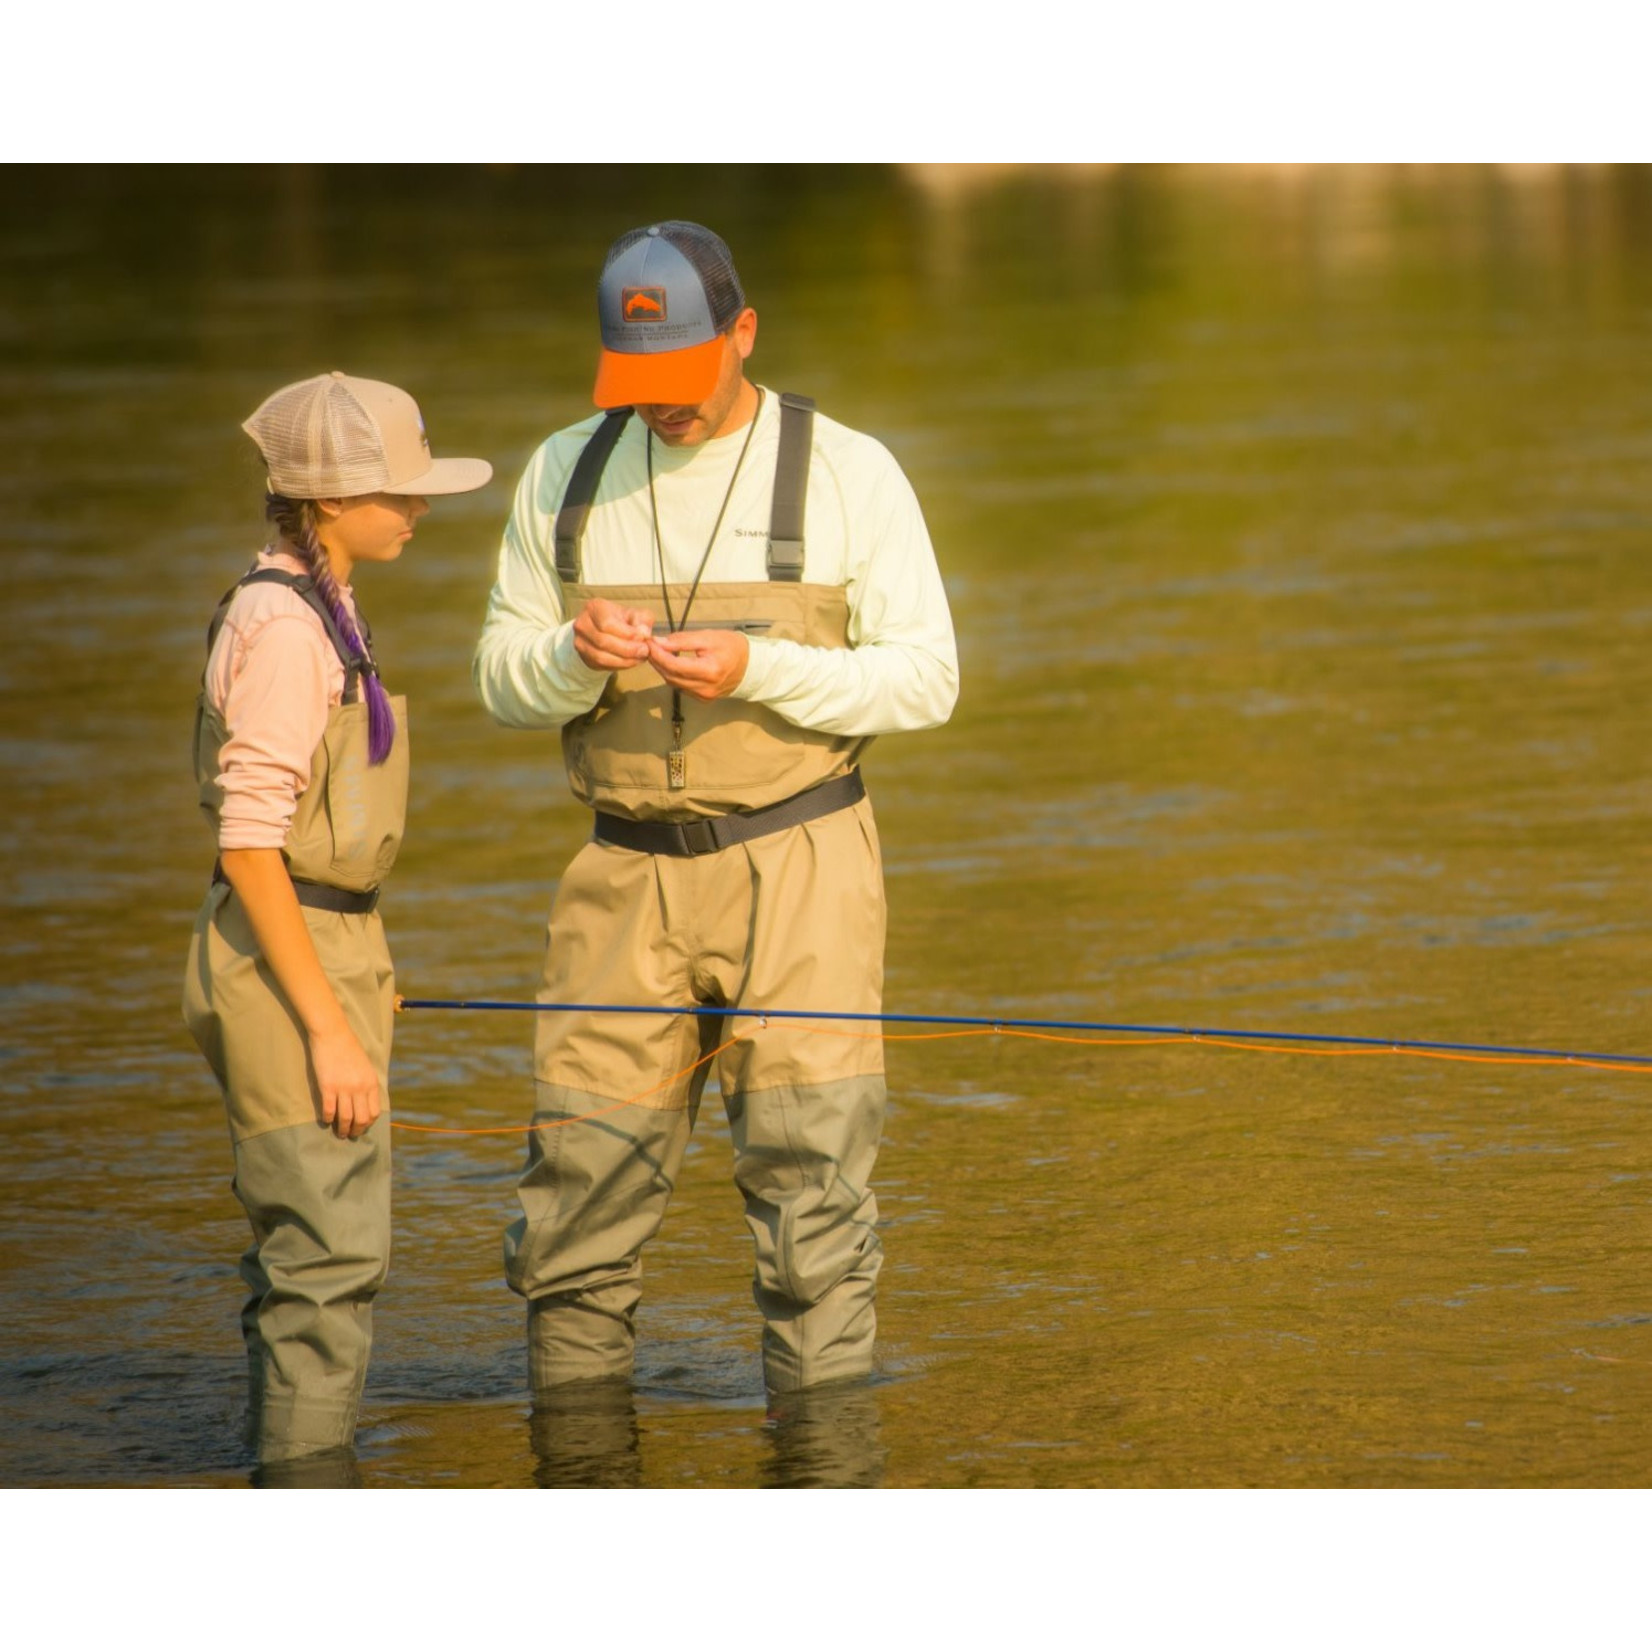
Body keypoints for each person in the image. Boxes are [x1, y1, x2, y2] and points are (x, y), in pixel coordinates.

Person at [474, 221, 959, 1398]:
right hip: (618, 875)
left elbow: (926, 679)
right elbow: (497, 676)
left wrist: (759, 670)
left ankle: (822, 1465)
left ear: (743, 335)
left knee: (813, 1214)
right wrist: (572, 659)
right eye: (636, 386)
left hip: (800, 861)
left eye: (683, 380)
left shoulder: (851, 471)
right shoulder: (561, 471)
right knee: (574, 1207)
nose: (663, 409)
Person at [183, 372, 491, 1467]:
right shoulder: (285, 626)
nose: (416, 508)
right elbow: (250, 843)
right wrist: (326, 1023)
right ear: (324, 500)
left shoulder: (323, 598)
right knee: (326, 1258)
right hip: (286, 953)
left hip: (323, 942)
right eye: (396, 491)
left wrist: (362, 971)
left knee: (315, 1251)